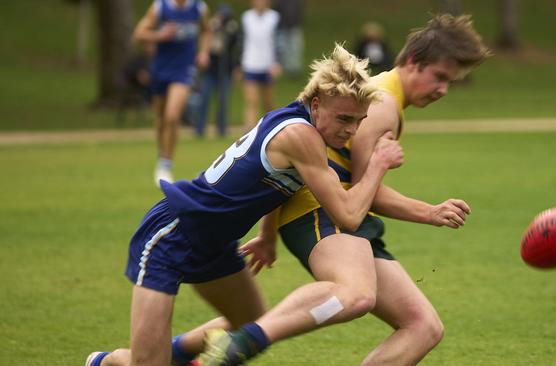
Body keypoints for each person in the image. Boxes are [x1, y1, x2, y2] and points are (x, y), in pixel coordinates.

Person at [192, 13, 491, 366]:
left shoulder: (379, 97)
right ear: (413, 62)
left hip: (338, 212)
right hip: (323, 212)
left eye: (451, 82)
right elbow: (366, 190)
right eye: (440, 77)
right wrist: (431, 212)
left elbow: (293, 165)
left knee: (422, 326)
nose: (443, 89)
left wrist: (268, 234)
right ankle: (244, 342)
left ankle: (161, 354)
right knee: (355, 296)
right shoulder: (381, 105)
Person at [84, 44, 404, 366]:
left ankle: (175, 356)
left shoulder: (300, 124)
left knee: (252, 322)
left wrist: (268, 236)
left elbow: (278, 184)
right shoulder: (301, 136)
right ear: (317, 104)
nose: (351, 130)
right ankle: (111, 362)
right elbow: (348, 216)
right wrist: (377, 164)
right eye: (344, 118)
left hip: (216, 244)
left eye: (359, 121)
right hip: (174, 233)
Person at [133, 0, 212, 187]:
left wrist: (204, 52)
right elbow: (139, 34)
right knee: (160, 120)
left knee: (172, 116)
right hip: (160, 70)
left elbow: (207, 31)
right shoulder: (160, 8)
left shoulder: (199, 8)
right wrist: (160, 35)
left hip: (183, 71)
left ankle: (166, 164)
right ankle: (162, 156)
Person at [193, 3, 241, 138]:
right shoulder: (210, 26)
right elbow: (204, 40)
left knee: (223, 100)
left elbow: (234, 46)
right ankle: (199, 129)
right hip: (210, 69)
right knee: (204, 98)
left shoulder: (232, 28)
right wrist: (214, 27)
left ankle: (221, 129)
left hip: (225, 69)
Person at [240, 0, 282, 131]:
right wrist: (238, 63)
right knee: (251, 102)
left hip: (268, 65)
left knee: (268, 103)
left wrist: (277, 63)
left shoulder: (274, 18)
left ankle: (272, 130)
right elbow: (242, 41)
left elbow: (279, 41)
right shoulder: (246, 17)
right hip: (250, 64)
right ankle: (249, 135)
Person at [273, 0, 304, 77]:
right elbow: (277, 13)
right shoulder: (279, 2)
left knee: (295, 48)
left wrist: (297, 21)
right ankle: (285, 68)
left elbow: (299, 12)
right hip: (282, 27)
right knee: (283, 49)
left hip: (294, 27)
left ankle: (294, 69)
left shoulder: (296, 2)